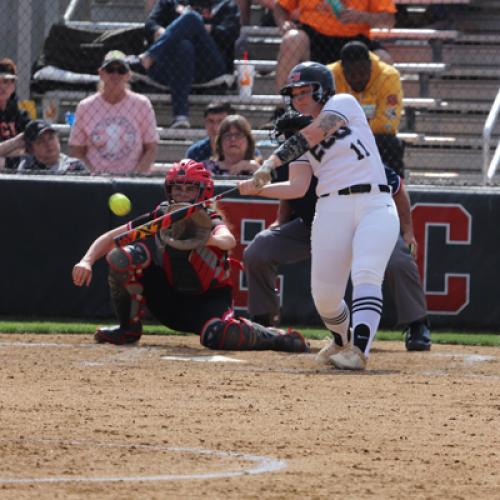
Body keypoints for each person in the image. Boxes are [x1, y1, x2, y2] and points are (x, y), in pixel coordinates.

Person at [239, 61, 400, 370]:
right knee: (325, 296)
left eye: (305, 91)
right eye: (294, 93)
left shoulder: (343, 103)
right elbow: (298, 187)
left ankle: (359, 352)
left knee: (366, 274)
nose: (299, 98)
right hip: (330, 208)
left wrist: (269, 163)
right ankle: (341, 341)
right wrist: (256, 188)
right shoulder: (299, 138)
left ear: (323, 89)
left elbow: (316, 132)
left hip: (374, 202)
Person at [72, 159, 308, 352]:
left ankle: (271, 335)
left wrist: (205, 238)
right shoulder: (161, 216)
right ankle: (128, 329)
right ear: (169, 190)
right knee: (122, 257)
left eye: (189, 188)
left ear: (202, 191)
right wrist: (87, 260)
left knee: (219, 336)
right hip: (168, 298)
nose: (183, 194)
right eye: (178, 188)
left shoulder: (209, 217)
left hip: (207, 301)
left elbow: (229, 241)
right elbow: (113, 238)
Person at [244, 110, 431, 353]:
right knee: (260, 248)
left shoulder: (346, 155)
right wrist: (279, 222)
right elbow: (291, 192)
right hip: (313, 227)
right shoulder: (284, 161)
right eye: (288, 137)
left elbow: (397, 188)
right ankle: (264, 325)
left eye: (297, 135)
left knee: (398, 260)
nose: (292, 141)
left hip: (363, 222)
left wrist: (407, 232)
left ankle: (417, 324)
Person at [126, 0, 240, 129]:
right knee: (184, 46)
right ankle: (181, 117)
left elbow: (230, 33)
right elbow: (150, 25)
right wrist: (170, 35)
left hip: (209, 68)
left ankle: (148, 58)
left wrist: (201, 29)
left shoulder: (226, 4)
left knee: (191, 18)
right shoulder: (169, 2)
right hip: (170, 67)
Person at [273, 0, 396, 93]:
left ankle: (384, 116)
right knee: (292, 39)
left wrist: (361, 16)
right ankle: (281, 109)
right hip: (313, 36)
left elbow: (389, 20)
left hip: (356, 38)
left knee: (384, 59)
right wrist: (284, 23)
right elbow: (280, 7)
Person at [69, 50, 158, 176]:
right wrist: (93, 175)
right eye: (110, 69)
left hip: (132, 178)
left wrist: (135, 176)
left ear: (128, 75)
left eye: (121, 70)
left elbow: (151, 148)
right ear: (101, 73)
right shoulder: (85, 107)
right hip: (95, 180)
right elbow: (77, 150)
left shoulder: (142, 104)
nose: (115, 74)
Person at [328, 40, 405, 176]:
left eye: (362, 73)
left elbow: (387, 124)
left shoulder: (389, 76)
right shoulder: (329, 75)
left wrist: (349, 129)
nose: (357, 79)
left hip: (372, 138)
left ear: (370, 66)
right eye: (351, 74)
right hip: (338, 138)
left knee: (390, 143)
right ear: (342, 70)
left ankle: (394, 189)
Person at [0, 119, 87, 173]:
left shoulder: (74, 166)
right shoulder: (23, 163)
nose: (48, 144)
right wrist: (16, 142)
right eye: (40, 141)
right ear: (31, 149)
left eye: (51, 138)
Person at [0, 58, 30, 170]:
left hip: (18, 163)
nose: (2, 86)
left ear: (13, 86)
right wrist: (17, 142)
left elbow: (32, 146)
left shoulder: (19, 114)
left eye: (7, 81)